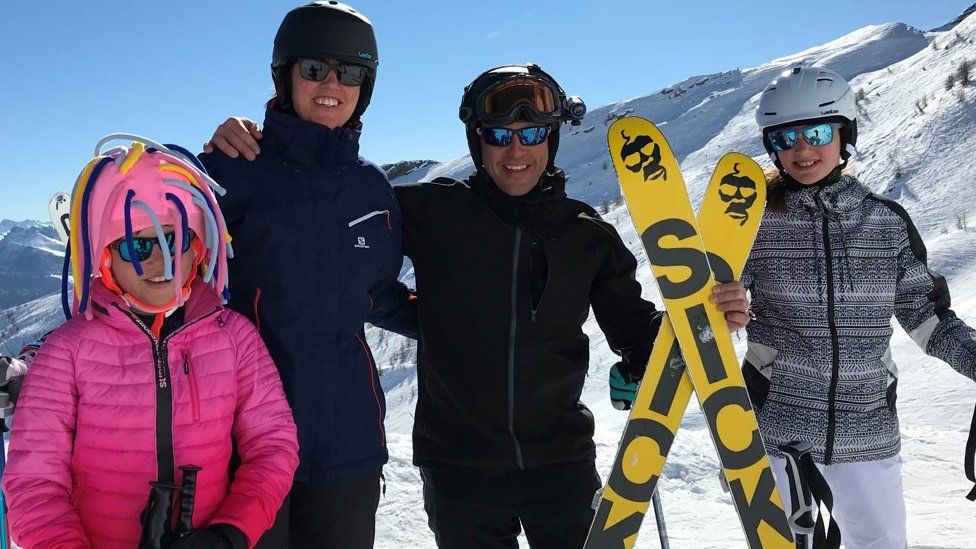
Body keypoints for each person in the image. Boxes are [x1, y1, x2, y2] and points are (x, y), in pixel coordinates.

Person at [208, 63, 751, 548]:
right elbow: (334, 208)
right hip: (458, 471)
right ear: (477, 141)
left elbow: (637, 334)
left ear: (552, 137)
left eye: (531, 133)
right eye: (498, 136)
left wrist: (701, 319)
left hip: (560, 463)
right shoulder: (434, 210)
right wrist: (266, 147)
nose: (516, 152)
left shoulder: (587, 236)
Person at [1, 137, 299, 548]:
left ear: (198, 247)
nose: (160, 262)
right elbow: (34, 483)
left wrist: (230, 534)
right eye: (137, 245)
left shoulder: (234, 338)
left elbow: (274, 446)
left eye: (174, 240)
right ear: (104, 256)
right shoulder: (66, 353)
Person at [199, 2, 416, 547]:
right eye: (315, 68)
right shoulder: (230, 170)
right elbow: (163, 283)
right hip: (244, 441)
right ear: (285, 74)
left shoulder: (372, 190)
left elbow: (379, 295)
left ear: (365, 88)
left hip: (347, 442)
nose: (332, 84)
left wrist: (464, 327)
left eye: (351, 73)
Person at [744, 65, 976, 548]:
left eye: (818, 132)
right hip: (775, 428)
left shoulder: (885, 223)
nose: (803, 150)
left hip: (866, 425)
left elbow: (927, 318)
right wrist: (720, 303)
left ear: (844, 135)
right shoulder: (751, 224)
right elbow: (708, 307)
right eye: (786, 137)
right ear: (772, 147)